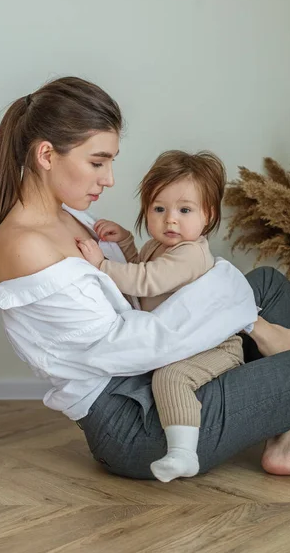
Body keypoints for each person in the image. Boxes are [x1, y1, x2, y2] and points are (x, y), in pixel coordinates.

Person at [0, 76, 290, 483]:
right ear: (47, 154)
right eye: (98, 162)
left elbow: (137, 290)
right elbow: (138, 343)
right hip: (141, 421)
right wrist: (251, 323)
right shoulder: (24, 245)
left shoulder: (68, 216)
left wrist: (246, 314)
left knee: (267, 284)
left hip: (156, 371)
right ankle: (284, 435)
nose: (110, 179)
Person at [75, 149, 247, 482]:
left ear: (207, 215)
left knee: (170, 377)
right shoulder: (160, 247)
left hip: (216, 347)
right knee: (165, 373)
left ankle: (183, 454)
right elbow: (143, 272)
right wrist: (125, 241)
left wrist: (101, 265)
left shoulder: (189, 254)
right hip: (190, 342)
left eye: (185, 210)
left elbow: (147, 281)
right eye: (159, 209)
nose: (170, 219)